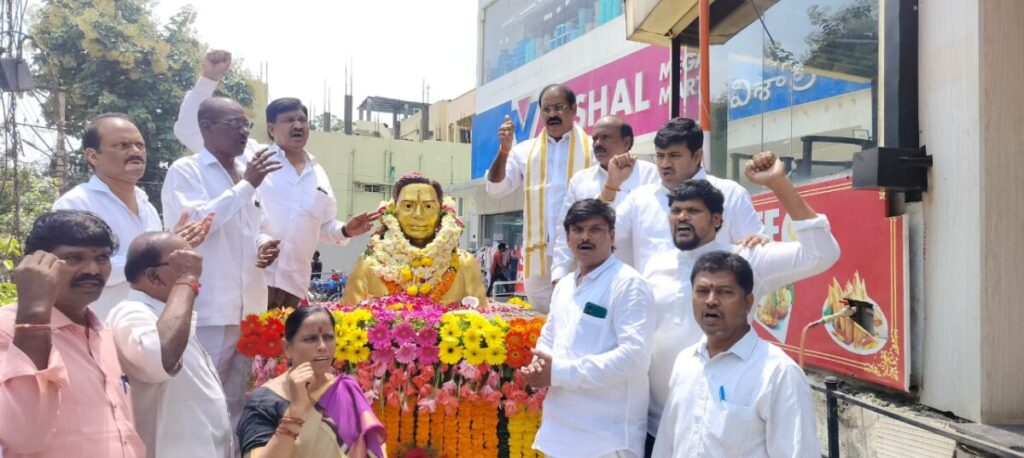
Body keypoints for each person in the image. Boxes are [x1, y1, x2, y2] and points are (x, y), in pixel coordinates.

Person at [643, 152, 840, 452]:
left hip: (735, 421)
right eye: (676, 211)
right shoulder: (655, 267)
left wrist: (778, 183)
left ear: (717, 219)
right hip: (662, 423)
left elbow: (821, 254)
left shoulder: (746, 259)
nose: (682, 218)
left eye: (693, 211)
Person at [175, 50, 377, 309]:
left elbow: (321, 227)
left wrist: (346, 230)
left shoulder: (319, 174)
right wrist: (208, 79)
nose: (298, 125)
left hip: (295, 286)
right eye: (289, 120)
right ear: (271, 128)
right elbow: (189, 130)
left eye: (303, 120)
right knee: (249, 348)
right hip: (254, 280)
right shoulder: (250, 155)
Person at [161, 94, 282, 423]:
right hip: (211, 311)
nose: (244, 132)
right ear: (206, 128)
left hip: (251, 310)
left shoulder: (246, 173)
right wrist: (245, 186)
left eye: (247, 125)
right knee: (203, 401)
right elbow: (199, 224)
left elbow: (258, 227)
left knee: (242, 402)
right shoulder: (186, 171)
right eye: (235, 124)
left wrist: (265, 244)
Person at [0, 210, 145, 456]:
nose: (93, 269)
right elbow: (25, 436)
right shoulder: (8, 329)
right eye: (73, 257)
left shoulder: (102, 333)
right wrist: (34, 316)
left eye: (102, 257)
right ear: (36, 264)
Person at [651, 252, 820, 457]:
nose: (711, 301)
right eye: (702, 291)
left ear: (748, 302)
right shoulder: (686, 362)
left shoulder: (778, 373)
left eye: (724, 292)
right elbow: (666, 444)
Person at [522, 199, 654, 458]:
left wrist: (558, 372)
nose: (585, 237)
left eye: (595, 229)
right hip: (559, 432)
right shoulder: (565, 286)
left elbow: (634, 358)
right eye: (578, 229)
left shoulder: (628, 284)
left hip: (606, 439)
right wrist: (539, 365)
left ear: (612, 235)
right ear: (568, 236)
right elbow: (549, 336)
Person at [52, 113, 212, 321]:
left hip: (150, 328)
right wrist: (156, 255)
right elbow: (81, 269)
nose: (135, 151)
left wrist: (172, 248)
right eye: (123, 145)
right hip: (105, 330)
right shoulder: (75, 205)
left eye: (140, 145)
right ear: (93, 156)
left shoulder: (146, 205)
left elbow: (155, 271)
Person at [107, 232, 233, 457]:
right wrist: (187, 281)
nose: (197, 274)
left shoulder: (168, 314)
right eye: (184, 265)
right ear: (154, 276)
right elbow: (160, 356)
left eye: (195, 263)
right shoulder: (129, 313)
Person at [486, 84, 594, 312]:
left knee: (582, 321)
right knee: (546, 322)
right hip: (539, 260)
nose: (552, 114)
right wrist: (504, 151)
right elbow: (495, 188)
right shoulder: (526, 150)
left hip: (582, 256)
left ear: (574, 109)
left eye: (558, 107)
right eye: (546, 109)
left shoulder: (592, 149)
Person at [615, 117, 764, 275]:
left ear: (697, 156)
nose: (665, 164)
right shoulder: (639, 199)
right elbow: (603, 237)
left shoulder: (731, 194)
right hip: (654, 298)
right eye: (660, 156)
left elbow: (756, 252)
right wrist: (612, 185)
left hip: (714, 296)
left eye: (674, 155)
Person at [237, 305, 386, 458]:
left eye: (328, 337)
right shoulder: (265, 401)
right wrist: (295, 411)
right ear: (287, 348)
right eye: (310, 339)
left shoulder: (345, 390)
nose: (322, 346)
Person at [341, 173, 488, 306]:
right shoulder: (369, 264)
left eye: (428, 206)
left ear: (441, 214)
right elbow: (350, 321)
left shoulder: (463, 263)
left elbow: (482, 320)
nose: (418, 214)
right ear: (394, 212)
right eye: (408, 206)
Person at [551, 115, 659, 280]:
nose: (598, 144)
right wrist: (559, 274)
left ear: (627, 142)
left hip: (638, 278)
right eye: (595, 139)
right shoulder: (580, 180)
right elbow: (564, 230)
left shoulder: (650, 174)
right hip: (592, 280)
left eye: (606, 137)